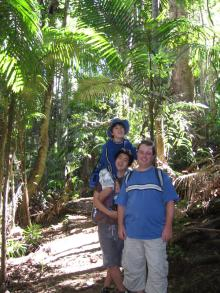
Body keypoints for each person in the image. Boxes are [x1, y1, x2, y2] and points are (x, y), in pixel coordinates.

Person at [116, 139, 179, 293]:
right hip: (132, 234)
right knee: (133, 273)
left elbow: (170, 203)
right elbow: (121, 204)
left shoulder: (161, 176)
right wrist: (120, 226)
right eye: (142, 152)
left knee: (157, 273)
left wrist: (168, 227)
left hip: (156, 235)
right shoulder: (129, 178)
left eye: (148, 153)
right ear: (137, 153)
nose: (144, 156)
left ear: (152, 156)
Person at [93, 148, 134, 293]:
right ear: (115, 159)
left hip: (123, 225)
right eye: (120, 158)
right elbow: (95, 201)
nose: (121, 161)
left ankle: (105, 287)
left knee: (116, 260)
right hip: (105, 223)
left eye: (125, 160)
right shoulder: (106, 178)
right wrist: (109, 213)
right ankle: (122, 290)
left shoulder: (131, 179)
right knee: (112, 261)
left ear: (128, 164)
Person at [89, 118, 136, 189]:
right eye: (116, 128)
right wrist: (115, 179)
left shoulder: (127, 144)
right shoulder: (107, 146)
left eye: (122, 128)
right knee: (109, 187)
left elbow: (136, 154)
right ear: (112, 133)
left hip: (121, 170)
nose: (120, 130)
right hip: (107, 170)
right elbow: (109, 163)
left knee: (133, 176)